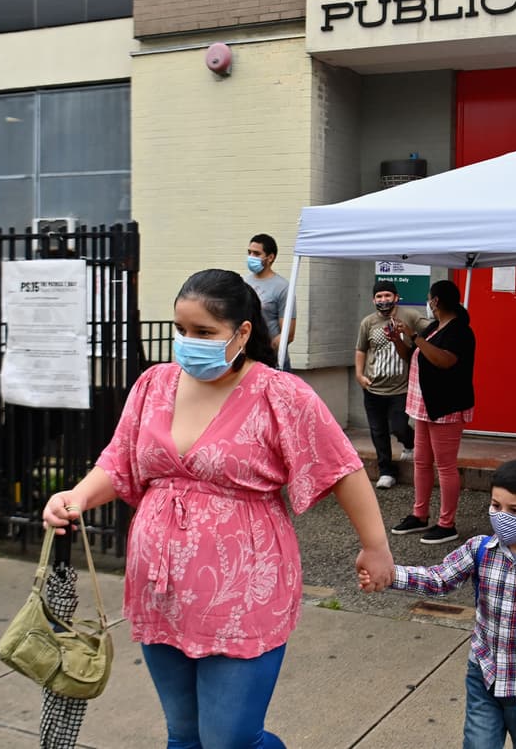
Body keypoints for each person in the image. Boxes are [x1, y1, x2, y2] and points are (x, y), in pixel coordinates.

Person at [42, 268, 395, 749]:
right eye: (181, 330)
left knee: (229, 740)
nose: (188, 343)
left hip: (243, 590)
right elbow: (120, 459)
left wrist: (376, 547)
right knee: (183, 736)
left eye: (204, 333)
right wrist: (78, 496)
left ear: (243, 331)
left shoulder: (280, 394)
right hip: (158, 586)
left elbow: (341, 469)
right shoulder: (154, 384)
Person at [360, 457, 516, 749]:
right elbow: (438, 579)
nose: (501, 516)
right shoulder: (480, 550)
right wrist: (390, 575)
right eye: (495, 506)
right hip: (484, 677)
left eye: (514, 510)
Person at [386, 279, 476, 545]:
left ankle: (447, 524)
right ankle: (420, 514)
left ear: (436, 301)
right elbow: (414, 355)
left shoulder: (461, 330)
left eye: (429, 298)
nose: (428, 301)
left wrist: (414, 336)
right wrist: (399, 340)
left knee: (445, 466)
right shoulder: (436, 327)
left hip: (446, 406)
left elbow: (444, 360)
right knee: (421, 461)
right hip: (425, 405)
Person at [355, 280, 426, 490]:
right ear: (373, 300)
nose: (383, 300)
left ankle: (409, 443)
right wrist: (359, 375)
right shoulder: (368, 322)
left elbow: (431, 331)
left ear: (396, 297)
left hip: (401, 388)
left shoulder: (410, 316)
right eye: (379, 296)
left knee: (399, 426)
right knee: (378, 431)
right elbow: (360, 349)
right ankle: (386, 471)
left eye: (387, 295)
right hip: (373, 387)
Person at [244, 234, 294, 362]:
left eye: (256, 253)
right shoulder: (243, 282)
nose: (251, 257)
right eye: (249, 252)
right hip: (246, 359)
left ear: (270, 257)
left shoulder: (283, 287)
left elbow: (288, 333)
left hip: (272, 360)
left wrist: (266, 351)